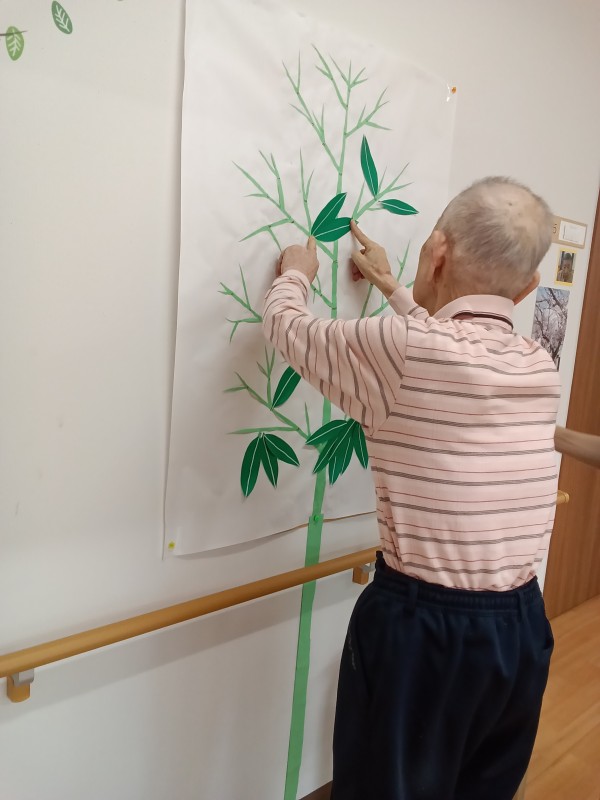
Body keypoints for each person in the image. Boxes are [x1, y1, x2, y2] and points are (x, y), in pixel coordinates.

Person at [263, 177, 559, 800]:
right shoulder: (538, 365)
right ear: (529, 287)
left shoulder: (403, 350)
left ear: (436, 251)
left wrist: (296, 273)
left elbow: (287, 327)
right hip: (521, 627)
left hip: (425, 632)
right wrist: (392, 288)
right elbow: (442, 347)